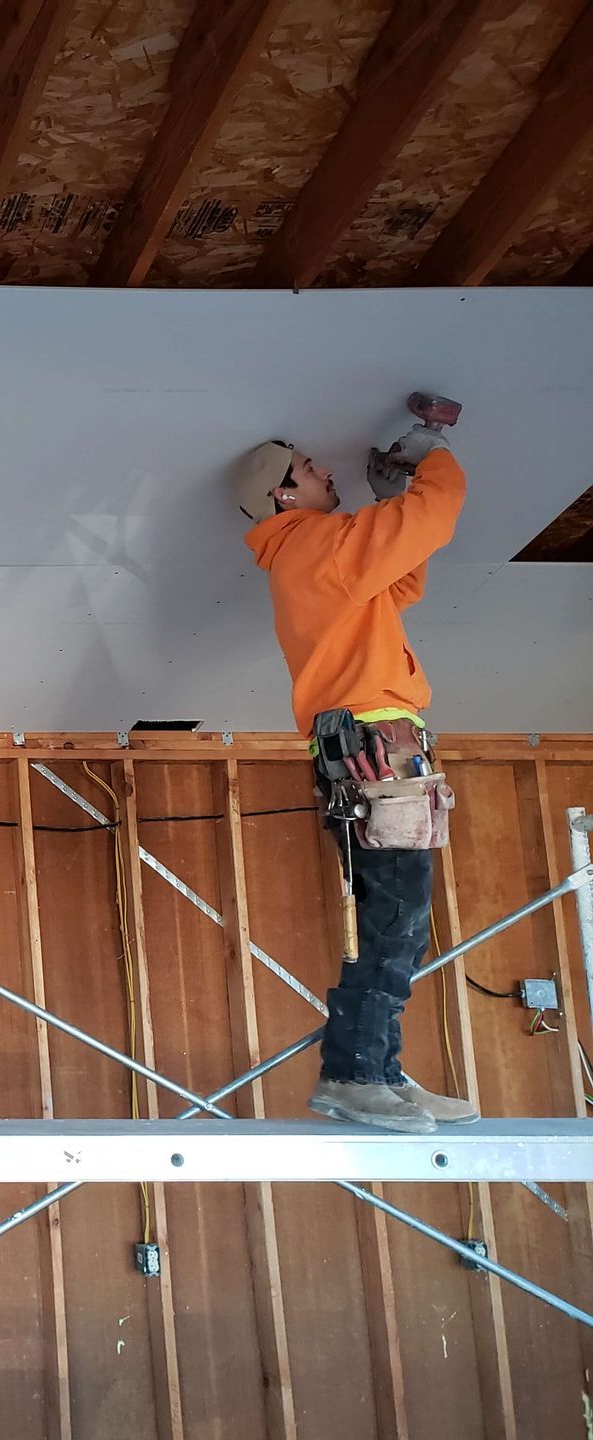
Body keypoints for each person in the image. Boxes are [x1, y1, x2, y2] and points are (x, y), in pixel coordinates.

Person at [236, 418, 478, 1134]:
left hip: (368, 751)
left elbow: (398, 581)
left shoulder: (314, 553)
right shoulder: (316, 544)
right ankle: (356, 1076)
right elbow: (432, 516)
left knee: (393, 919)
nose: (325, 473)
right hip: (376, 747)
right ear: (283, 495)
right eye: (310, 468)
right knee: (397, 919)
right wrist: (433, 461)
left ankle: (377, 1071)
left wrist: (383, 501)